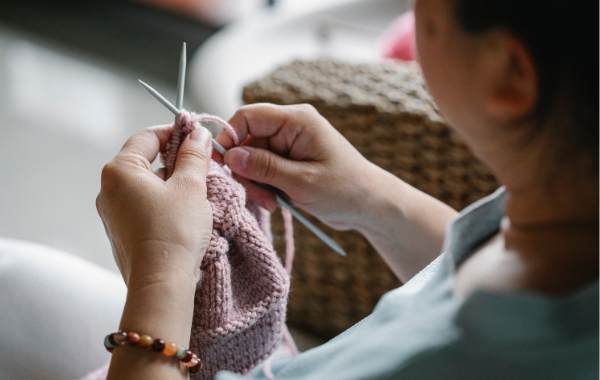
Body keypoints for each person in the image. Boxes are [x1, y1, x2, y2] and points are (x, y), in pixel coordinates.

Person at [1, 0, 595, 379]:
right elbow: (470, 268)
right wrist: (370, 197)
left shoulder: (465, 362)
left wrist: (160, 276)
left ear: (510, 73)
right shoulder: (563, 216)